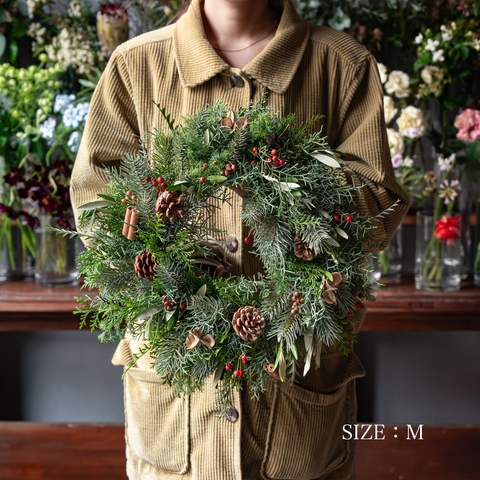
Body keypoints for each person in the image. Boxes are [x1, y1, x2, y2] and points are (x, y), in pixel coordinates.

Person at [71, 0, 410, 478]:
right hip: (176, 401)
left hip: (293, 398)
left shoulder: (341, 65)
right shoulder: (136, 65)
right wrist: (164, 259)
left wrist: (279, 175)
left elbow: (378, 206)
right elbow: (97, 205)